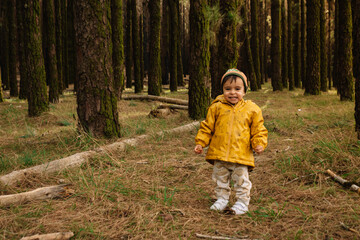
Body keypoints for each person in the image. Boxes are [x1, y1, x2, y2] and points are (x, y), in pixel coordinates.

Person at [194, 68, 268, 215]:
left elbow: (258, 129)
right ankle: (222, 199)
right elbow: (207, 126)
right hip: (219, 152)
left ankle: (242, 202)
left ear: (245, 91)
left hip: (241, 154)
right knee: (220, 178)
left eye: (237, 89)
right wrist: (201, 142)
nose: (232, 92)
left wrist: (259, 143)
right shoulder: (216, 107)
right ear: (222, 90)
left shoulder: (252, 109)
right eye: (228, 89)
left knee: (241, 180)